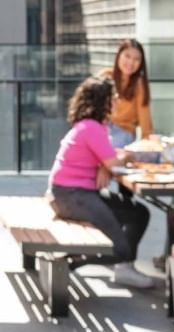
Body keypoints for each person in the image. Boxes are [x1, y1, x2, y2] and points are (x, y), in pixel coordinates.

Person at [47, 76, 154, 289]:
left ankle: (124, 269)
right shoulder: (92, 128)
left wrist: (107, 164)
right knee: (119, 249)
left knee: (139, 213)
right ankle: (67, 263)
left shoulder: (91, 126)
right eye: (112, 97)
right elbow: (115, 163)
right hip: (73, 196)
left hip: (75, 193)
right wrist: (121, 158)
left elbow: (108, 160)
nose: (116, 101)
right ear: (101, 102)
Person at [101, 39, 153, 148]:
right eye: (127, 56)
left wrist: (147, 145)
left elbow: (145, 119)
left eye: (136, 59)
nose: (130, 62)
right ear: (119, 55)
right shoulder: (105, 76)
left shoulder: (139, 84)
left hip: (123, 131)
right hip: (101, 127)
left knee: (108, 151)